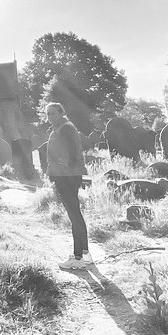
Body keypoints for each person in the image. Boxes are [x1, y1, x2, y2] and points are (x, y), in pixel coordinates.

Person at [45, 102, 92, 269]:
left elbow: (72, 150)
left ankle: (78, 258)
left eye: (53, 113)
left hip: (67, 176)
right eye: (48, 114)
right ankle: (85, 254)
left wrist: (65, 163)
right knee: (75, 214)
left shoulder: (65, 128)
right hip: (66, 174)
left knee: (74, 215)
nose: (50, 117)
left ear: (61, 112)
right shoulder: (62, 127)